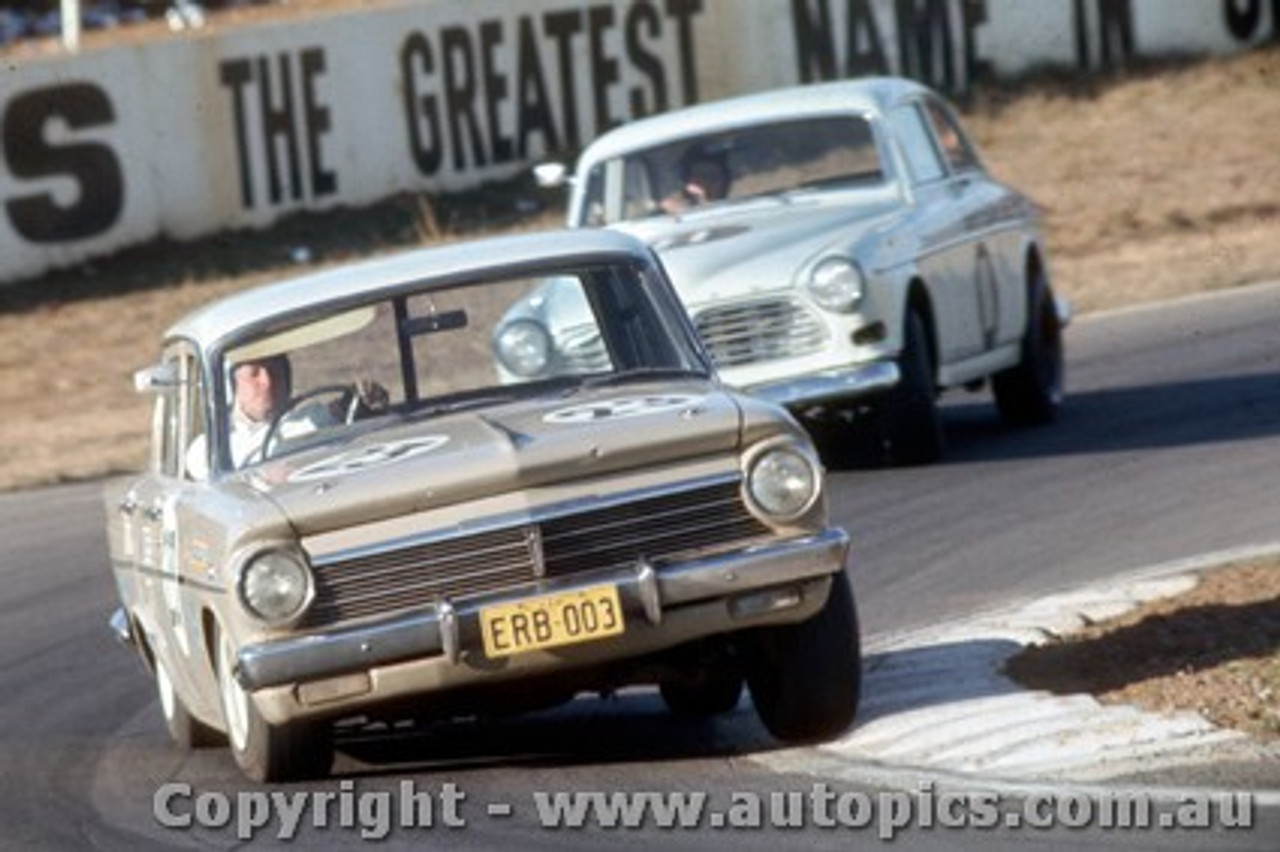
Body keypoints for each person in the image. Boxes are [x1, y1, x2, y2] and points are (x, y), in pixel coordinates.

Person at [661, 147, 732, 213]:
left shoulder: (736, 205)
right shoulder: (678, 210)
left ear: (724, 180)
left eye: (712, 176)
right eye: (700, 175)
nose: (706, 182)